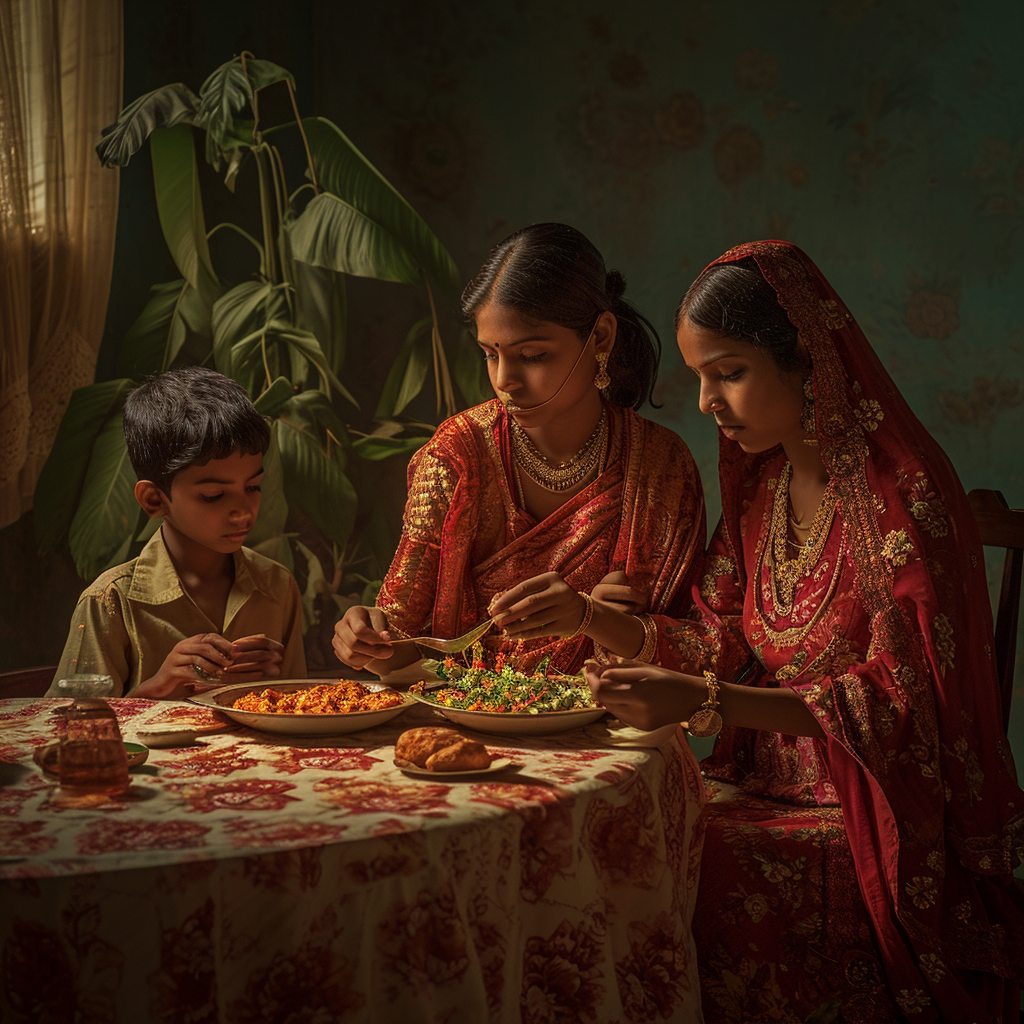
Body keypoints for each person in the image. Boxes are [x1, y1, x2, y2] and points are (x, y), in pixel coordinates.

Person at [585, 241, 1024, 1023]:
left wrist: (707, 701)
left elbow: (901, 706)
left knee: (698, 856)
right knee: (626, 834)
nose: (706, 403)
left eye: (730, 372)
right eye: (697, 378)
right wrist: (593, 620)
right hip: (759, 779)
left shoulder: (901, 498)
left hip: (869, 804)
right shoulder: (764, 486)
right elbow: (717, 636)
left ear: (808, 364)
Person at [332, 222, 705, 675]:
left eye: (531, 356)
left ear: (601, 338)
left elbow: (700, 656)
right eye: (490, 353)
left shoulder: (661, 467)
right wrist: (366, 638)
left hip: (614, 734)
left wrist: (600, 622)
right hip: (469, 723)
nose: (504, 380)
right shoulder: (456, 456)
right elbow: (403, 638)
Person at [50, 366, 306, 698]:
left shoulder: (277, 587)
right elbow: (67, 734)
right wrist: (157, 688)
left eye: (254, 487)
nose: (244, 511)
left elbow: (303, 711)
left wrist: (276, 690)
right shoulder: (110, 603)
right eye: (214, 495)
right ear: (155, 499)